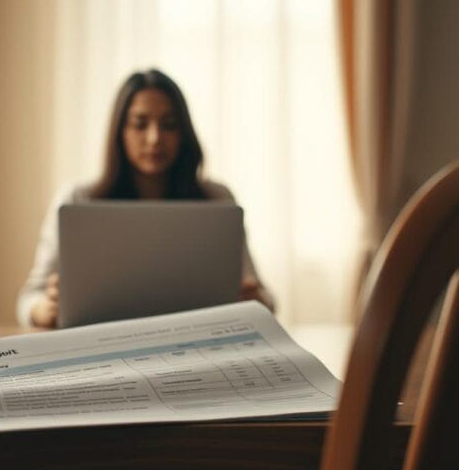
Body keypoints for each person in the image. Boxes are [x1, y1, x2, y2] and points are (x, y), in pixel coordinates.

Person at [16, 68, 274, 327]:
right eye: (140, 124)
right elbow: (29, 298)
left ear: (183, 133)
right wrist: (45, 308)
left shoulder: (217, 199)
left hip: (199, 342)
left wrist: (257, 302)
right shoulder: (77, 199)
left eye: (169, 125)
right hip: (101, 348)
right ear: (120, 131)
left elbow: (266, 298)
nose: (154, 138)